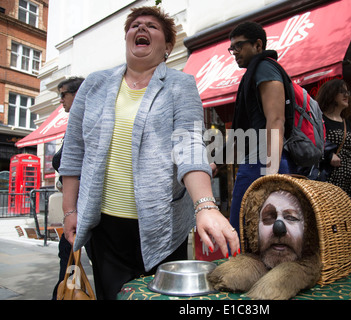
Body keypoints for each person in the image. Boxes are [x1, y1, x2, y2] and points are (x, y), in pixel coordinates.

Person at [58, 6, 239, 300]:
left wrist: (205, 205)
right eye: (135, 25)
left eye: (152, 27)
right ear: (127, 37)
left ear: (167, 46)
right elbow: (74, 151)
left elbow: (190, 145)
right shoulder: (94, 84)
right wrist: (70, 210)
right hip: (104, 228)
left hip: (162, 228)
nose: (141, 29)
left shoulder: (181, 85)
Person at [211, 21, 297, 236]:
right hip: (257, 162)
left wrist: (271, 174)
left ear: (258, 45)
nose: (234, 52)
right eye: (232, 48)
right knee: (255, 234)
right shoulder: (255, 71)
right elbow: (243, 131)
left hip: (263, 164)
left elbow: (276, 120)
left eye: (239, 46)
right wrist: (217, 162)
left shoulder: (264, 67)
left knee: (243, 232)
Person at [315, 79, 351, 253]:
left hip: (350, 184)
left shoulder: (346, 122)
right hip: (330, 183)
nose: (347, 95)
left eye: (348, 92)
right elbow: (310, 146)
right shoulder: (320, 120)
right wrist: (327, 155)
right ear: (331, 95)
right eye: (342, 92)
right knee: (335, 230)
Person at [51, 77, 88, 300]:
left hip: (84, 207)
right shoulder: (75, 123)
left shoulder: (85, 122)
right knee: (69, 258)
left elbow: (66, 161)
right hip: (75, 207)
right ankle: (68, 293)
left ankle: (68, 294)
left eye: (63, 94)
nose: (61, 100)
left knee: (70, 257)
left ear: (77, 94)